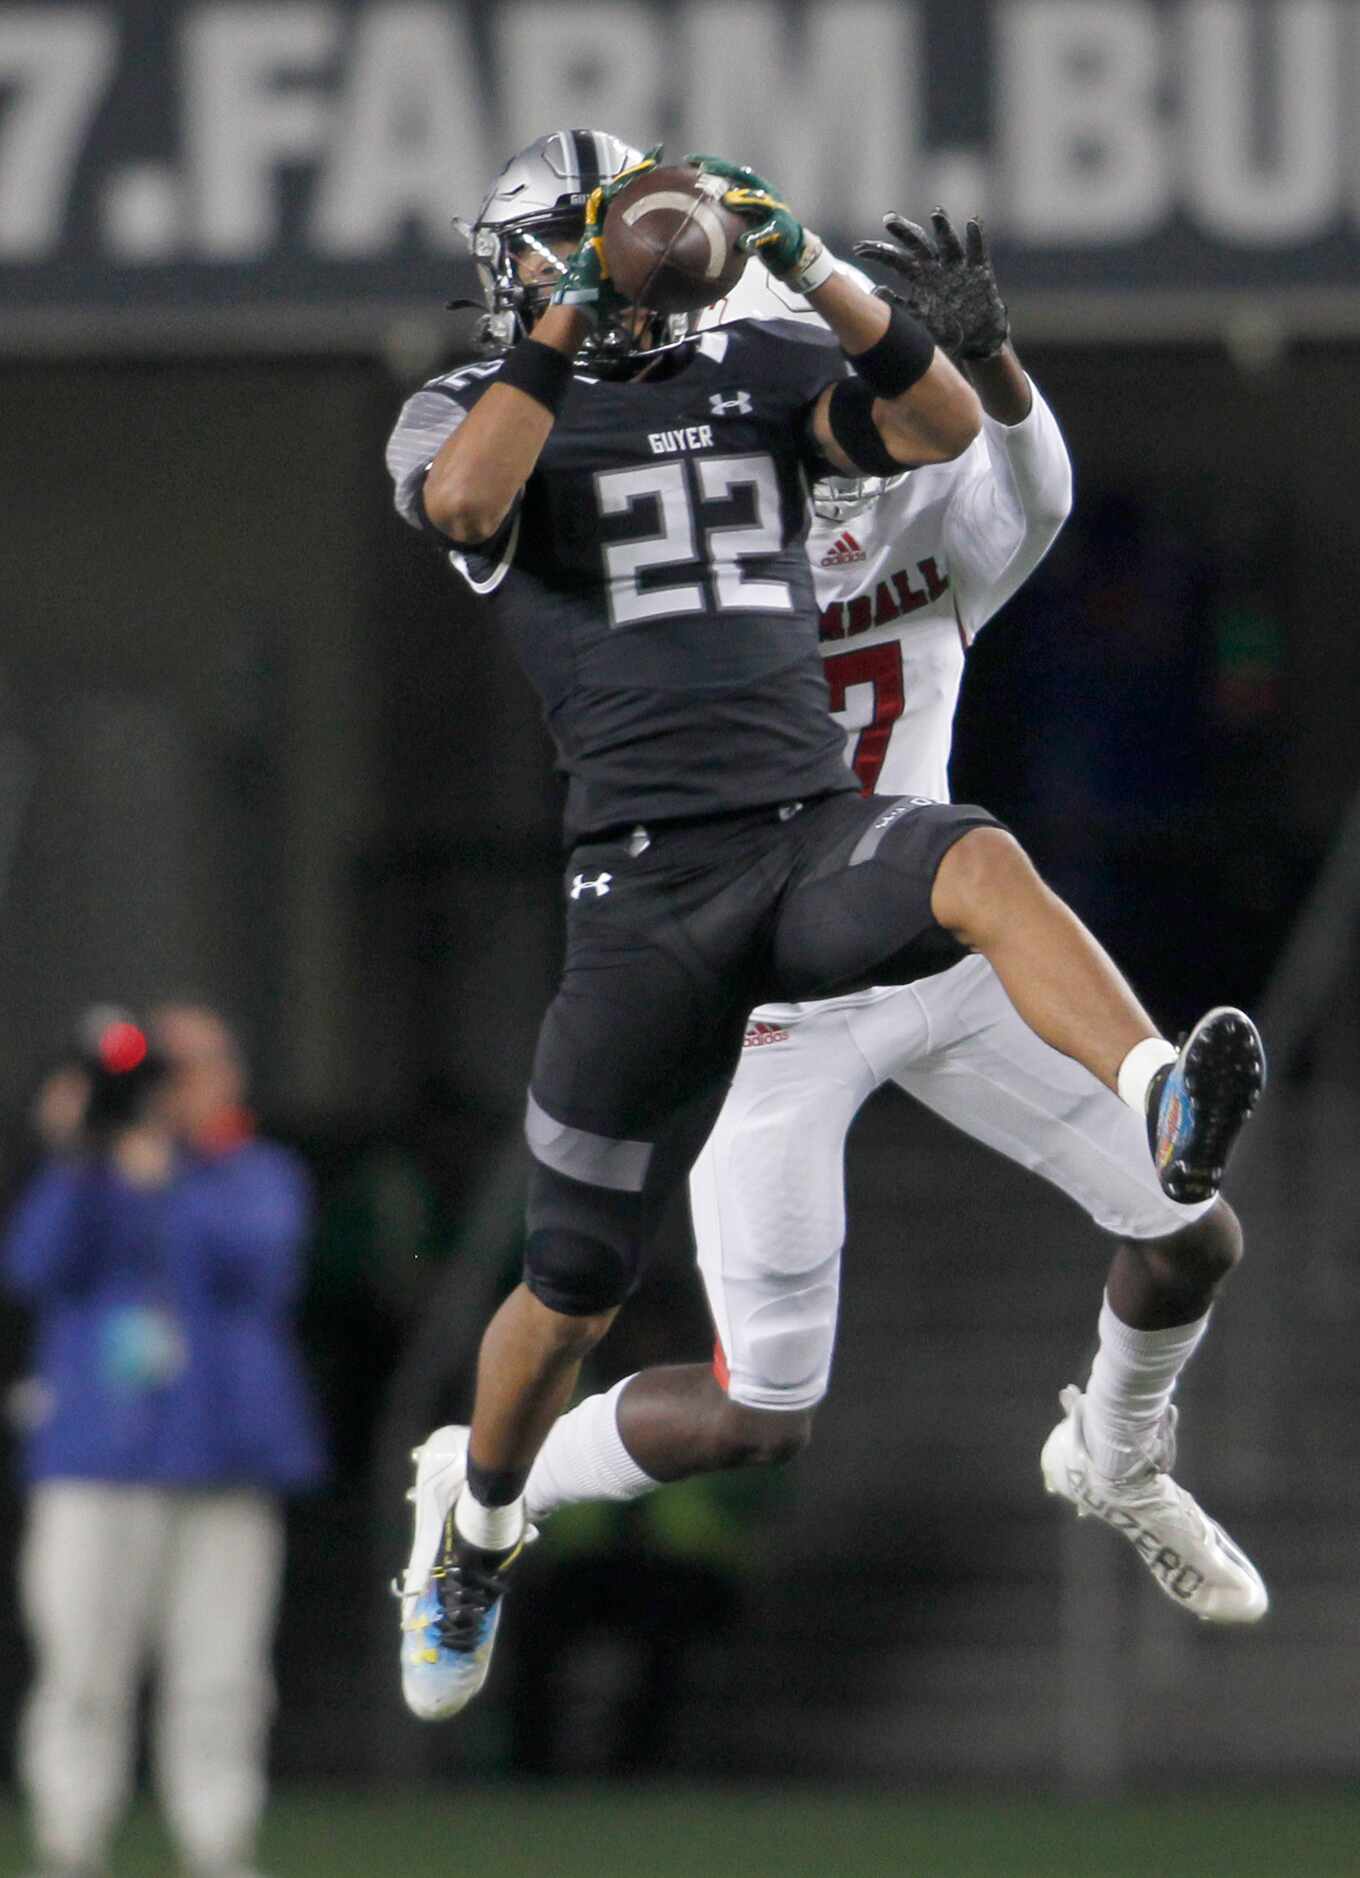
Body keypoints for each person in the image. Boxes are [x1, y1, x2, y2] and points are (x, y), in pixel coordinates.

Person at [385, 131, 1264, 1724]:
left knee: (1181, 1200)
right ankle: (482, 1494)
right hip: (689, 916)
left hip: (857, 872)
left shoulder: (787, 399)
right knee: (720, 1385)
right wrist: (578, 313)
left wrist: (883, 307)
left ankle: (1124, 1410)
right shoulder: (513, 412)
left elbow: (1005, 470)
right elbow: (467, 496)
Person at [3, 1002, 325, 1878]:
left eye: (192, 1067)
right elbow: (33, 1265)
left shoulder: (256, 1171)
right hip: (99, 1458)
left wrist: (168, 1178)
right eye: (160, 1072)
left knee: (222, 1676)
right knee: (80, 1668)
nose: (174, 1091)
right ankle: (69, 1842)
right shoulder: (91, 1173)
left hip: (224, 1459)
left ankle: (218, 1844)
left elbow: (261, 1263)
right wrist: (79, 1153)